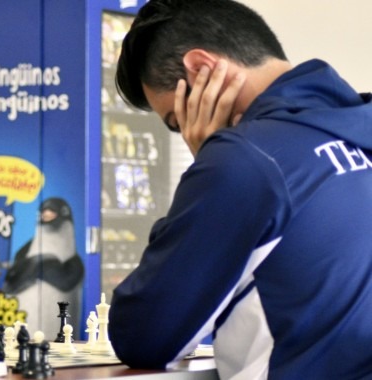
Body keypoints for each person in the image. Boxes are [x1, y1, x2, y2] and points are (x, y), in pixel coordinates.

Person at [108, 0, 372, 378]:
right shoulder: (356, 129)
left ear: (201, 70)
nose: (184, 131)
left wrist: (208, 166)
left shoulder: (244, 160)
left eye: (173, 119)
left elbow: (143, 335)